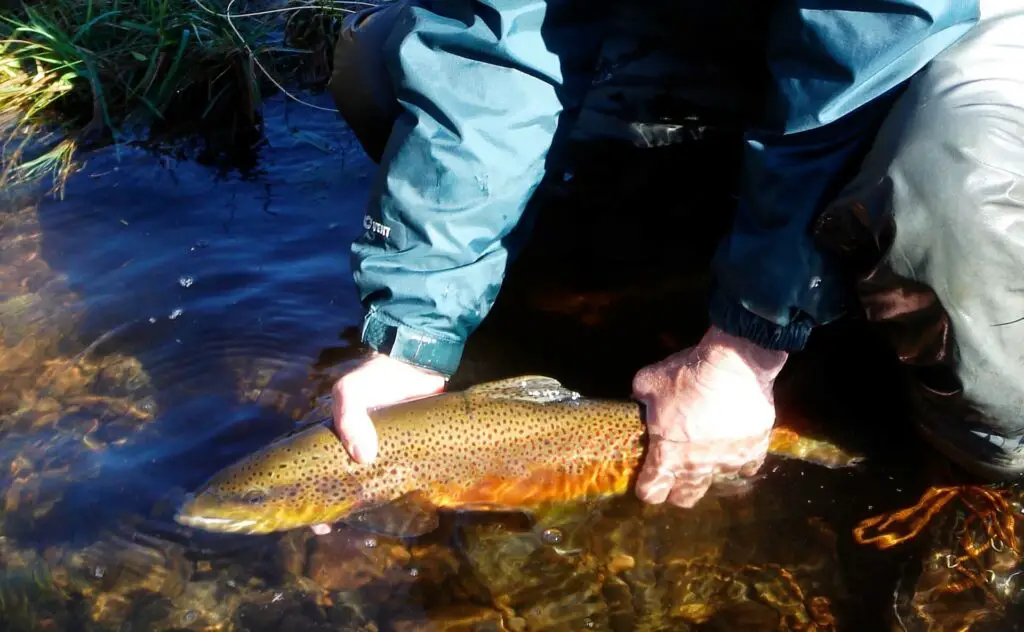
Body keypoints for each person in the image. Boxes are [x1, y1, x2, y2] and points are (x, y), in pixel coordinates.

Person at [318, 0, 1024, 531]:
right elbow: (493, 48)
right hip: (718, 27)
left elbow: (858, 65)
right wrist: (414, 332)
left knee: (954, 196)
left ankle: (982, 469)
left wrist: (744, 348)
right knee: (378, 62)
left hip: (931, 32)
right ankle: (716, 270)